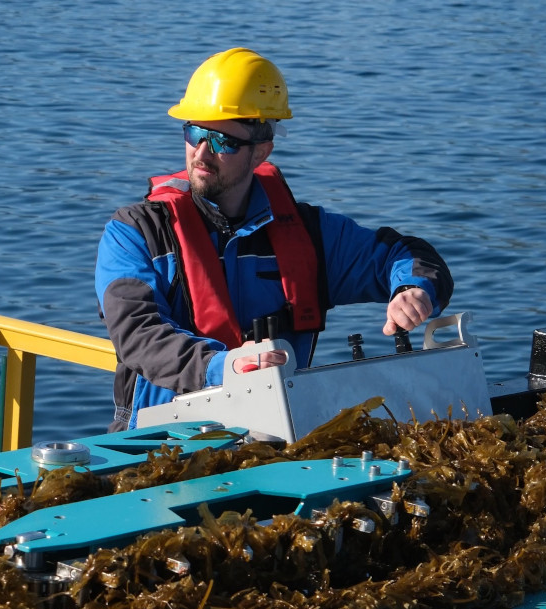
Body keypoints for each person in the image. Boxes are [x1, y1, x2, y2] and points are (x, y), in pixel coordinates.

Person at [95, 48, 453, 432]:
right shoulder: (133, 232)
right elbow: (138, 334)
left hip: (278, 435)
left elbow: (408, 255)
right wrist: (226, 366)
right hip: (159, 439)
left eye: (222, 142)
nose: (201, 152)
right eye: (194, 132)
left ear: (261, 150)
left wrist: (414, 291)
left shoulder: (311, 234)